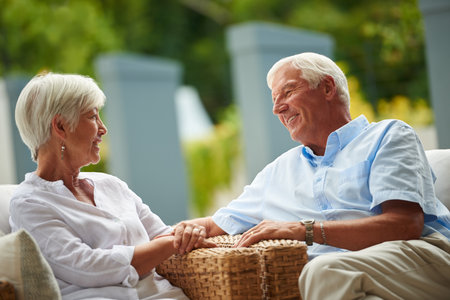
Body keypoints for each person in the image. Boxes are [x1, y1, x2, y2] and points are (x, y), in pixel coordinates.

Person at [174, 52, 450, 299]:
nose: (277, 107)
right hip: (340, 278)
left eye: (288, 91)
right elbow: (218, 224)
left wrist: (303, 230)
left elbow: (404, 225)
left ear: (327, 87)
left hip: (422, 254)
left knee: (326, 271)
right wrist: (189, 228)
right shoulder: (278, 171)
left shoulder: (388, 136)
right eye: (274, 99)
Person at [10, 72, 214, 300]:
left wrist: (186, 233)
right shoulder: (28, 203)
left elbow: (162, 235)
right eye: (92, 116)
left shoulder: (111, 185)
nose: (102, 128)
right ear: (60, 126)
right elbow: (86, 267)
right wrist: (173, 242)